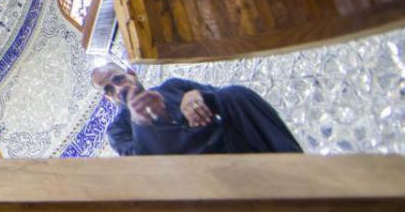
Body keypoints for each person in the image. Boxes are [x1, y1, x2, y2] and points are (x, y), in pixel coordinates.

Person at [90, 62, 302, 156]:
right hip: (195, 179)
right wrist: (141, 123)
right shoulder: (118, 130)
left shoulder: (173, 86)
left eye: (118, 79)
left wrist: (200, 96)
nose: (118, 89)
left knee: (234, 94)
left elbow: (230, 102)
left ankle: (296, 164)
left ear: (131, 74)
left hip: (232, 146)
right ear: (108, 98)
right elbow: (142, 168)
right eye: (109, 90)